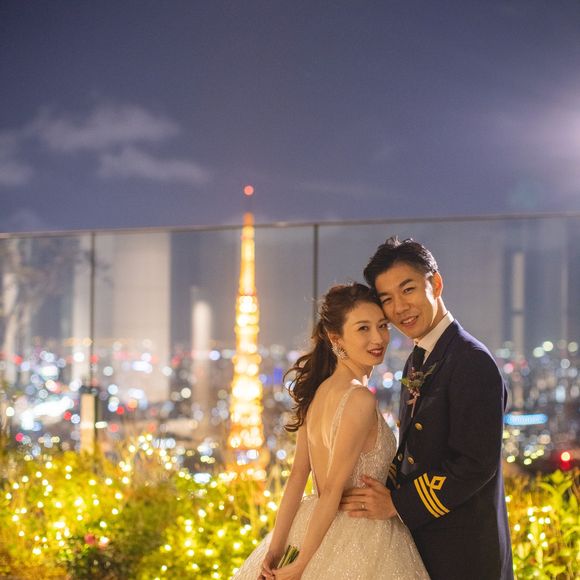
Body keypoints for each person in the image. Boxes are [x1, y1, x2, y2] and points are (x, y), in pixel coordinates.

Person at [340, 238, 513, 579]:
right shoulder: (419, 358)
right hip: (426, 539)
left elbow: (475, 464)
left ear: (435, 284)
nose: (400, 307)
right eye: (387, 299)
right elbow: (414, 449)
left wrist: (397, 503)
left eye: (408, 289)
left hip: (464, 550)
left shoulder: (471, 360)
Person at [233, 283, 429, 579]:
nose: (378, 338)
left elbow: (297, 478)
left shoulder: (316, 392)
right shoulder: (359, 399)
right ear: (335, 338)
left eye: (382, 326)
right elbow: (332, 491)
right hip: (360, 536)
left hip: (307, 526)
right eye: (363, 329)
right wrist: (302, 564)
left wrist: (277, 547)